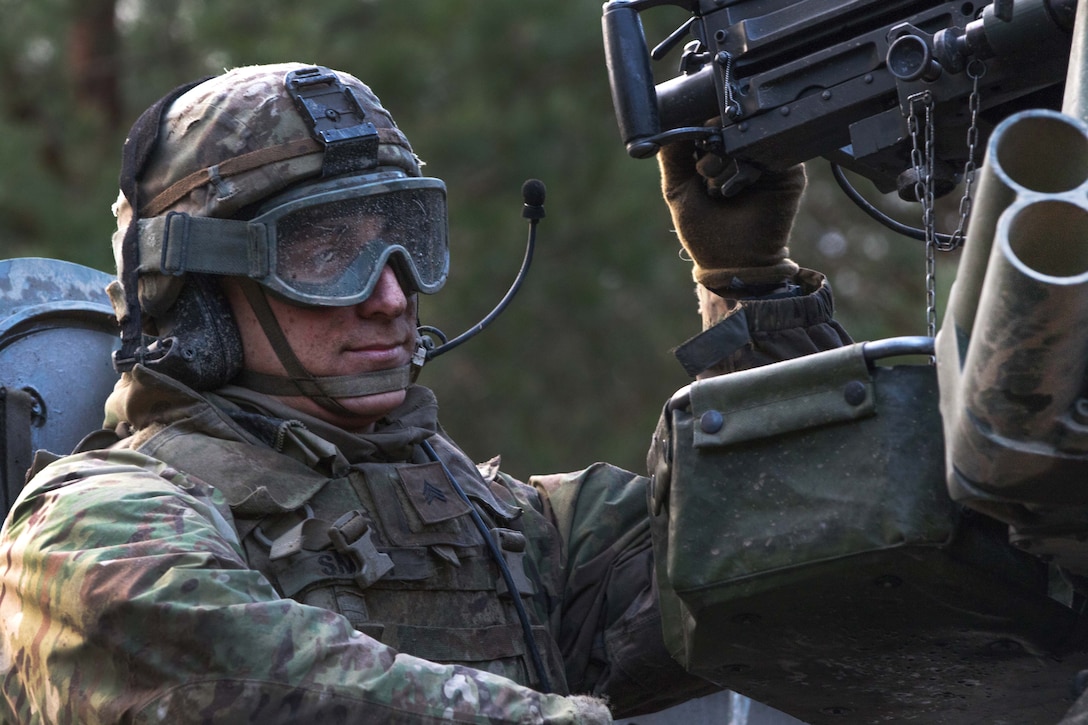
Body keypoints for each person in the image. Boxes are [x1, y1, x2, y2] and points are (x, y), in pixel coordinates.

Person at [0, 63, 849, 723]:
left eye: (404, 241)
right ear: (192, 289)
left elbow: (799, 553)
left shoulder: (515, 527)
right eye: (327, 252)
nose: (392, 295)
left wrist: (748, 288)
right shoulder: (89, 523)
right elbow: (249, 684)